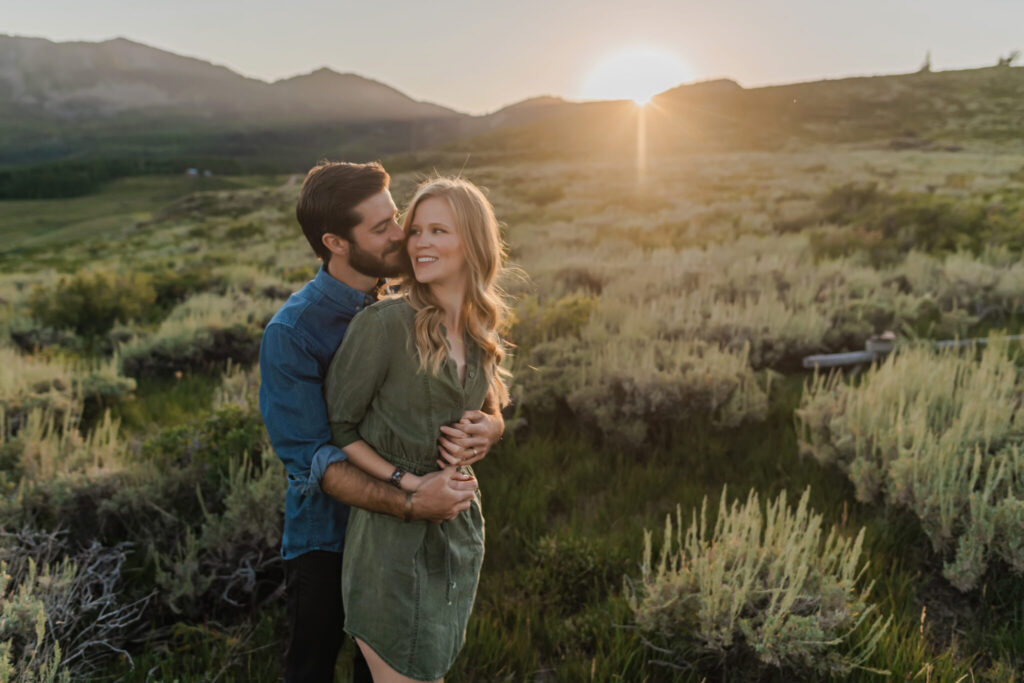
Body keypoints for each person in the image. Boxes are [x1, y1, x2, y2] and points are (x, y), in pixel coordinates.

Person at [258, 162, 505, 683]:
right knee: (312, 669)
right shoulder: (293, 333)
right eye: (384, 228)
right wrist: (413, 499)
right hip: (328, 537)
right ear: (336, 242)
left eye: (400, 219)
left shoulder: (413, 299)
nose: (402, 236)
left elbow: (470, 378)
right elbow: (316, 460)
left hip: (407, 536)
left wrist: (493, 423)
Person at [325, 176, 511, 682]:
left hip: (456, 539)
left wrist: (491, 428)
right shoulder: (384, 325)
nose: (421, 243)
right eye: (416, 231)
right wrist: (407, 484)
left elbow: (492, 405)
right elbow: (340, 428)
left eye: (438, 231)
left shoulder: (477, 329)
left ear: (472, 243)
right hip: (389, 546)